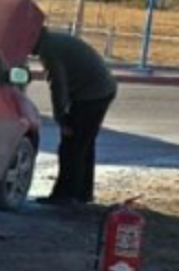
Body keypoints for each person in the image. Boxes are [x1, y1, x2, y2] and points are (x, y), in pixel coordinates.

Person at [34, 26, 117, 205]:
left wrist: (61, 118)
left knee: (72, 146)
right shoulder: (54, 40)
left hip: (92, 95)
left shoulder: (49, 49)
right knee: (84, 144)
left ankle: (66, 195)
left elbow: (58, 85)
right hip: (101, 90)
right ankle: (82, 193)